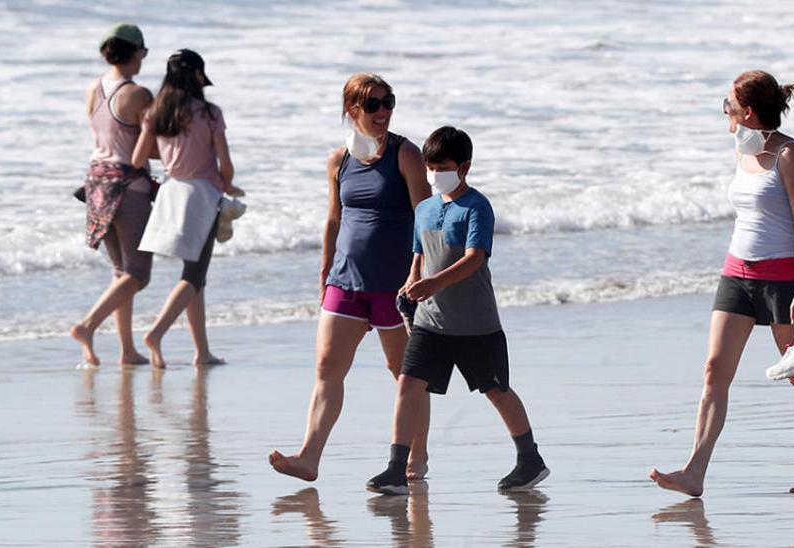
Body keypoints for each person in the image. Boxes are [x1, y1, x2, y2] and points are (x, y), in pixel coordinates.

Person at [651, 70, 794, 496]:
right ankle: (694, 472)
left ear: (748, 111)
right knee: (714, 369)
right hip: (737, 273)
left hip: (784, 278)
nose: (725, 112)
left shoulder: (790, 155)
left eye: (728, 106)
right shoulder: (742, 152)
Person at [365, 126, 550, 495]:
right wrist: (412, 280)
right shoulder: (425, 209)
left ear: (463, 167)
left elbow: (474, 258)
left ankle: (530, 459)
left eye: (442, 166)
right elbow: (419, 254)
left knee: (497, 391)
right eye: (430, 166)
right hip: (431, 323)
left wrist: (434, 283)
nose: (434, 174)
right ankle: (396, 469)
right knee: (408, 385)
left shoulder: (477, 207)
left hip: (476, 324)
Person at [269, 73, 431, 482]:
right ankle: (309, 458)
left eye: (388, 101)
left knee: (405, 375)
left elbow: (427, 219)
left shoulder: (405, 154)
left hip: (394, 286)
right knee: (327, 368)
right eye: (373, 104)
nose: (384, 111)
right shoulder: (338, 160)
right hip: (345, 280)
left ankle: (417, 456)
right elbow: (333, 218)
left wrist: (420, 274)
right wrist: (325, 270)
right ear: (352, 109)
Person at [133, 49, 239, 369]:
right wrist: (228, 185)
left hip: (170, 192)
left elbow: (138, 159)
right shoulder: (209, 113)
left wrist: (173, 155)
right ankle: (156, 332)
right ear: (197, 76)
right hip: (202, 195)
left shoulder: (156, 113)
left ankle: (202, 351)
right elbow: (226, 165)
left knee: (195, 276)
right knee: (194, 275)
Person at [70, 22, 157, 368]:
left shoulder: (94, 88)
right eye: (143, 53)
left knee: (121, 272)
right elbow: (149, 146)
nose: (143, 59)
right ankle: (87, 326)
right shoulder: (138, 94)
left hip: (96, 185)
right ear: (134, 52)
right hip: (129, 188)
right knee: (139, 274)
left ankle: (127, 350)